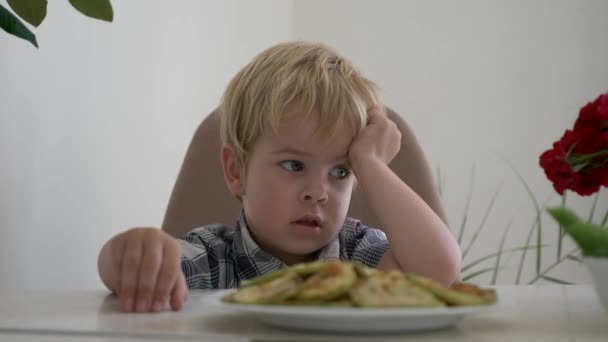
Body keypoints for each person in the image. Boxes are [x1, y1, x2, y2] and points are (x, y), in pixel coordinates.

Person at [97, 41, 462, 313]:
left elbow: (440, 275)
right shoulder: (212, 257)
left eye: (340, 171)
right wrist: (132, 254)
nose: (318, 193)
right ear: (236, 171)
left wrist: (371, 163)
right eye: (294, 166)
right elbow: (122, 269)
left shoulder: (359, 255)